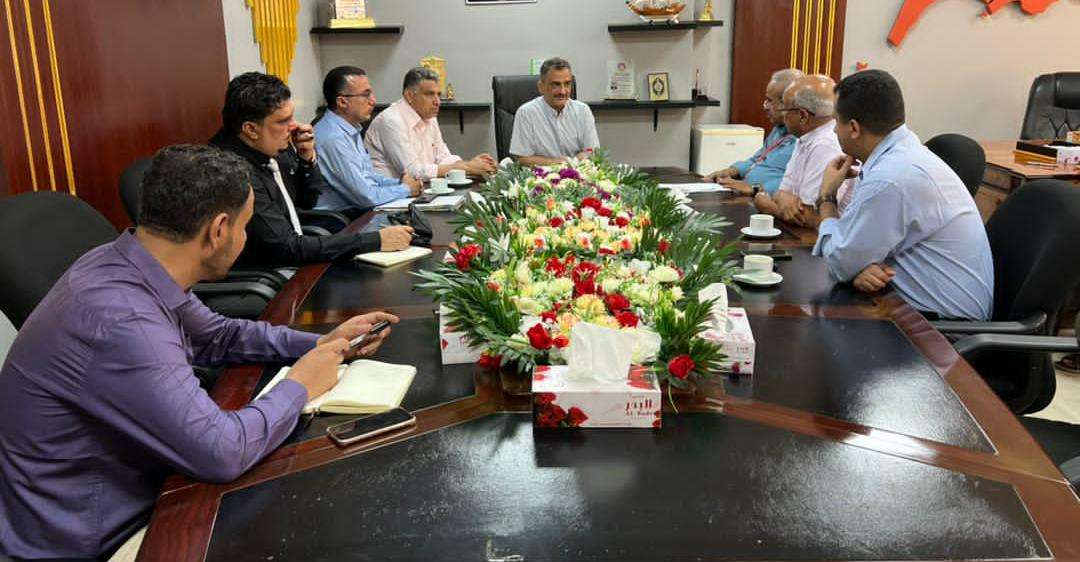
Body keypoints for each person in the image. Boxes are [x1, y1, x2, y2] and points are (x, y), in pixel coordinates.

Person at [0, 145, 400, 559]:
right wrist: (300, 385)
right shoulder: (124, 321)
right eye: (245, 226)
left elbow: (218, 335)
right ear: (219, 230)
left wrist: (320, 344)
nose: (246, 238)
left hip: (131, 489)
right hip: (94, 542)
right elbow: (222, 452)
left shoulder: (125, 261)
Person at [813, 69, 993, 320]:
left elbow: (840, 262)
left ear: (853, 128)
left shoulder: (890, 177)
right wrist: (856, 268)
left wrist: (827, 198)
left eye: (836, 122)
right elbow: (850, 256)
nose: (834, 131)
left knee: (811, 324)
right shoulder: (901, 154)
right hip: (906, 306)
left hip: (938, 329)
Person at [210, 72, 413, 268]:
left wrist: (307, 159)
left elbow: (307, 201)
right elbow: (286, 248)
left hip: (296, 254)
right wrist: (374, 241)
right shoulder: (233, 171)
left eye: (292, 117)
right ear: (251, 129)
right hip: (271, 275)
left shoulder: (271, 147)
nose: (295, 126)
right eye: (283, 121)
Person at [314, 66, 425, 214]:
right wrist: (406, 189)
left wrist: (400, 183)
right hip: (341, 219)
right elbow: (365, 197)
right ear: (342, 102)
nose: (373, 101)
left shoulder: (350, 129)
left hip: (358, 211)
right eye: (366, 95)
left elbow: (369, 177)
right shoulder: (333, 138)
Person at [365, 66, 497, 181]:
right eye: (430, 94)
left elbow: (443, 157)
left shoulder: (429, 117)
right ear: (410, 95)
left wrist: (474, 165)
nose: (437, 102)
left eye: (438, 95)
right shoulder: (391, 121)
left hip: (422, 191)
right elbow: (412, 172)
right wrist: (467, 167)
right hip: (392, 197)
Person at [753, 74, 846, 229]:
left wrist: (768, 207)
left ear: (802, 116)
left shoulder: (825, 145)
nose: (782, 115)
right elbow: (782, 192)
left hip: (819, 238)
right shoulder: (805, 136)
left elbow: (808, 217)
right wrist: (781, 197)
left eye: (784, 109)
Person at [704, 68, 802, 195]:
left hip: (768, 198)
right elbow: (757, 160)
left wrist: (755, 189)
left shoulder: (807, 140)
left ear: (787, 103)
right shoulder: (779, 129)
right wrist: (731, 171)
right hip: (750, 194)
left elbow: (798, 185)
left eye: (770, 101)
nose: (765, 106)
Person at [509, 57, 600, 166]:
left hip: (577, 173)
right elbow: (522, 159)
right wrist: (560, 163)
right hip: (539, 175)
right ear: (541, 87)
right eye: (556, 85)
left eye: (567, 84)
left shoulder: (582, 111)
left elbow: (591, 150)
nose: (563, 91)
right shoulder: (526, 113)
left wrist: (572, 164)